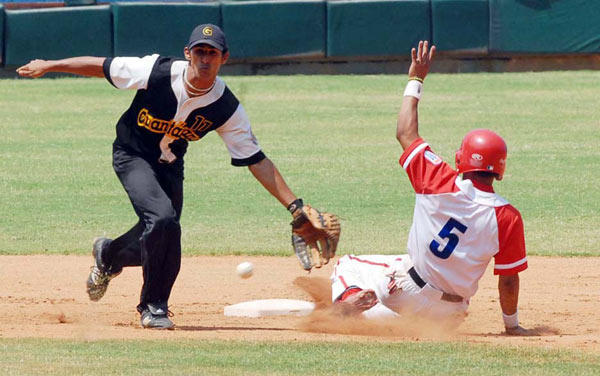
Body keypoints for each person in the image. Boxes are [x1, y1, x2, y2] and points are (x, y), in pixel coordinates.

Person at [17, 24, 317, 330]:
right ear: (188, 53)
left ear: (224, 58)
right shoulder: (155, 71)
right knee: (163, 220)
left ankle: (108, 254)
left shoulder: (226, 107)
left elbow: (255, 159)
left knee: (167, 232)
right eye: (199, 51)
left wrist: (295, 206)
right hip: (131, 154)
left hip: (169, 166)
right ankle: (153, 306)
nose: (204, 58)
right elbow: (102, 65)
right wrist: (51, 65)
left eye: (212, 53)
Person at [330, 41, 530, 335]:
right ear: (499, 169)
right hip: (450, 311)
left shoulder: (438, 179)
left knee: (347, 265)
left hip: (405, 289)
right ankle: (400, 323)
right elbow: (509, 279)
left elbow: (405, 132)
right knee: (414, 294)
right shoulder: (508, 217)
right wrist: (511, 326)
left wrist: (416, 78)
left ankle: (351, 299)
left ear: (461, 159)